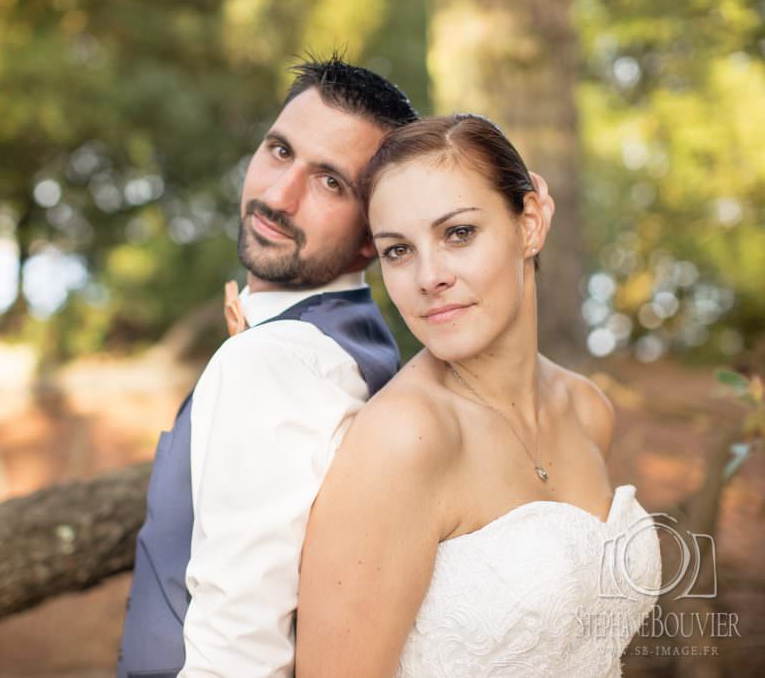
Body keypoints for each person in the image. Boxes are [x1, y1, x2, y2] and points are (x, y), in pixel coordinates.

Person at [295, 114, 662, 677]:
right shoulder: (406, 438)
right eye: (398, 251)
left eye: (458, 233)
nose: (428, 277)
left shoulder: (588, 411)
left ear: (531, 222)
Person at [115, 54, 415, 678]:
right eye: (280, 151)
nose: (279, 197)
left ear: (374, 234)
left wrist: (254, 355)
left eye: (331, 182)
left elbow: (240, 653)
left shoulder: (275, 364)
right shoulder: (371, 350)